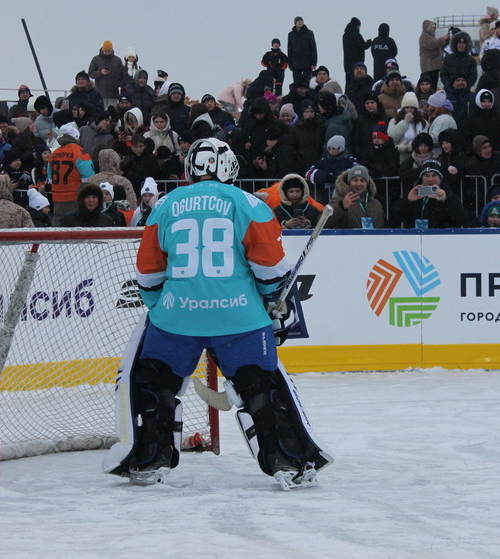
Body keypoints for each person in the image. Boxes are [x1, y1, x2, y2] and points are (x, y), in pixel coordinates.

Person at [103, 137, 331, 488]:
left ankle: (149, 458)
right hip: (239, 318)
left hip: (177, 317)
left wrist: (160, 307)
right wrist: (274, 304)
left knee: (156, 383)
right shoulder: (249, 203)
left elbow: (148, 275)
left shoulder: (165, 205)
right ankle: (289, 459)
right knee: (260, 385)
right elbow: (270, 270)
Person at [391, 159, 468, 228]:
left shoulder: (448, 195)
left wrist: (446, 200)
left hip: (441, 238)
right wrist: (407, 200)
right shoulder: (416, 193)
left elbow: (462, 219)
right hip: (415, 238)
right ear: (422, 178)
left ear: (440, 177)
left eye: (434, 175)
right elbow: (394, 216)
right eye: (427, 175)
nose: (430, 179)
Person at [48, 124, 96, 223]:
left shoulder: (54, 154)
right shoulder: (80, 153)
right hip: (75, 198)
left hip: (57, 198)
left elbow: (50, 179)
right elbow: (89, 179)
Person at [305, 135, 358, 205]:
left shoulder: (350, 160)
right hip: (326, 198)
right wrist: (325, 176)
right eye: (329, 149)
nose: (331, 151)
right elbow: (309, 173)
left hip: (345, 198)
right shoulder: (323, 161)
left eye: (333, 149)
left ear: (340, 148)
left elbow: (356, 172)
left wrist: (339, 177)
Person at [343, 18, 372, 93]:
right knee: (357, 82)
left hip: (347, 63)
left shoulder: (345, 35)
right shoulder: (356, 35)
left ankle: (347, 95)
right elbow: (363, 46)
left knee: (349, 83)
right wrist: (369, 42)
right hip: (356, 62)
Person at [288, 16, 318, 86]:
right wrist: (290, 63)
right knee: (296, 82)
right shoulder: (291, 34)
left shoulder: (309, 33)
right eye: (298, 21)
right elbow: (289, 49)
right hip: (295, 63)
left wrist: (314, 63)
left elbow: (313, 48)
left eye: (301, 20)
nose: (300, 22)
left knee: (308, 82)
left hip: (307, 62)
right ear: (295, 23)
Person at [419, 20, 448, 90]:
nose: (433, 30)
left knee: (433, 84)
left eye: (434, 28)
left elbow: (437, 45)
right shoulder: (424, 37)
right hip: (428, 66)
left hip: (434, 66)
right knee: (428, 84)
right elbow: (432, 45)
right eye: (432, 28)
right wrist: (442, 39)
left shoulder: (432, 37)